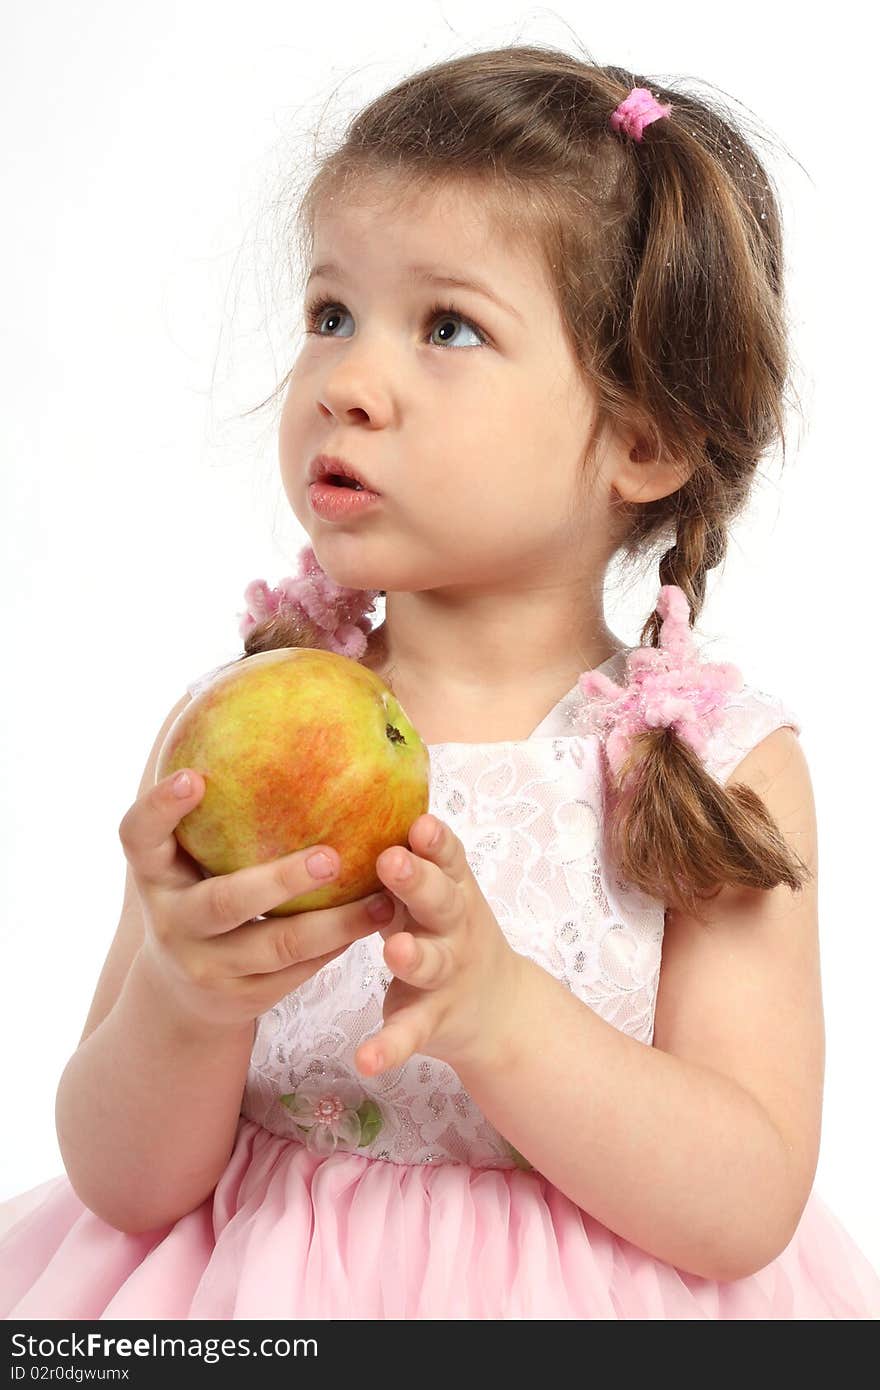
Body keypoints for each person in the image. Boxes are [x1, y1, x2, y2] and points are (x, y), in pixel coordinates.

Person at [2, 45, 879, 1321]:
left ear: (641, 437)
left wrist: (501, 1016)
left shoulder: (706, 763)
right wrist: (183, 1001)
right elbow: (124, 1184)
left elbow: (745, 1202)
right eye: (330, 316)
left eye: (449, 327)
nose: (345, 386)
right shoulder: (233, 725)